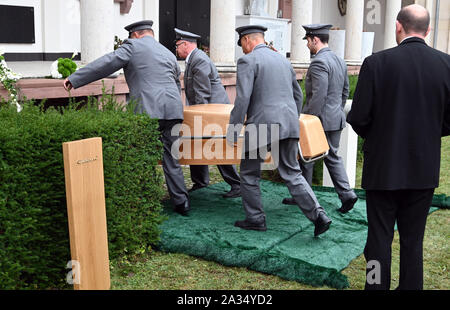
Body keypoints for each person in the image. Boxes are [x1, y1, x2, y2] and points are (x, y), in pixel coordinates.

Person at [347, 4, 450, 290]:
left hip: (383, 167)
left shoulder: (376, 63)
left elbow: (358, 118)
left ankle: (375, 287)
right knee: (413, 240)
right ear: (428, 30)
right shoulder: (446, 65)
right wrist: (427, 134)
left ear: (397, 26)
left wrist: (381, 137)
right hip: (423, 167)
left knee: (378, 238)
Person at [63, 20, 191, 216]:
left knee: (144, 157)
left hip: (149, 110)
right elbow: (175, 82)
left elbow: (107, 63)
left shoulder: (132, 46)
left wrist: (75, 78)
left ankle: (147, 201)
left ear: (136, 35)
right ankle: (182, 203)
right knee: (171, 158)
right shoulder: (167, 52)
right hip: (173, 110)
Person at [227, 25, 332, 236]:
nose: (243, 50)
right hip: (288, 123)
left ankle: (256, 219)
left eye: (242, 45)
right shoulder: (283, 60)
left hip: (261, 125)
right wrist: (291, 119)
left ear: (247, 40)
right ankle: (319, 214)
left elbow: (242, 99)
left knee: (248, 173)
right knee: (292, 172)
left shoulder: (248, 61)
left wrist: (233, 128)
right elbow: (298, 95)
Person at [282, 24, 358, 214]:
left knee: (307, 156)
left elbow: (318, 96)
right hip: (335, 118)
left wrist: (309, 121)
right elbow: (345, 91)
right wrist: (337, 111)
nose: (307, 45)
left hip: (319, 121)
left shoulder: (318, 62)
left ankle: (305, 197)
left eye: (307, 41)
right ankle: (346, 194)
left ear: (315, 39)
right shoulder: (339, 60)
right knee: (331, 157)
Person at [174, 28, 241, 198]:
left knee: (218, 148)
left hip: (213, 112)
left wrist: (199, 118)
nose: (176, 49)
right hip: (207, 110)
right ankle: (200, 181)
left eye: (177, 45)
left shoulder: (199, 59)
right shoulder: (194, 59)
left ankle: (236, 184)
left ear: (186, 45)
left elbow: (202, 91)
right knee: (197, 144)